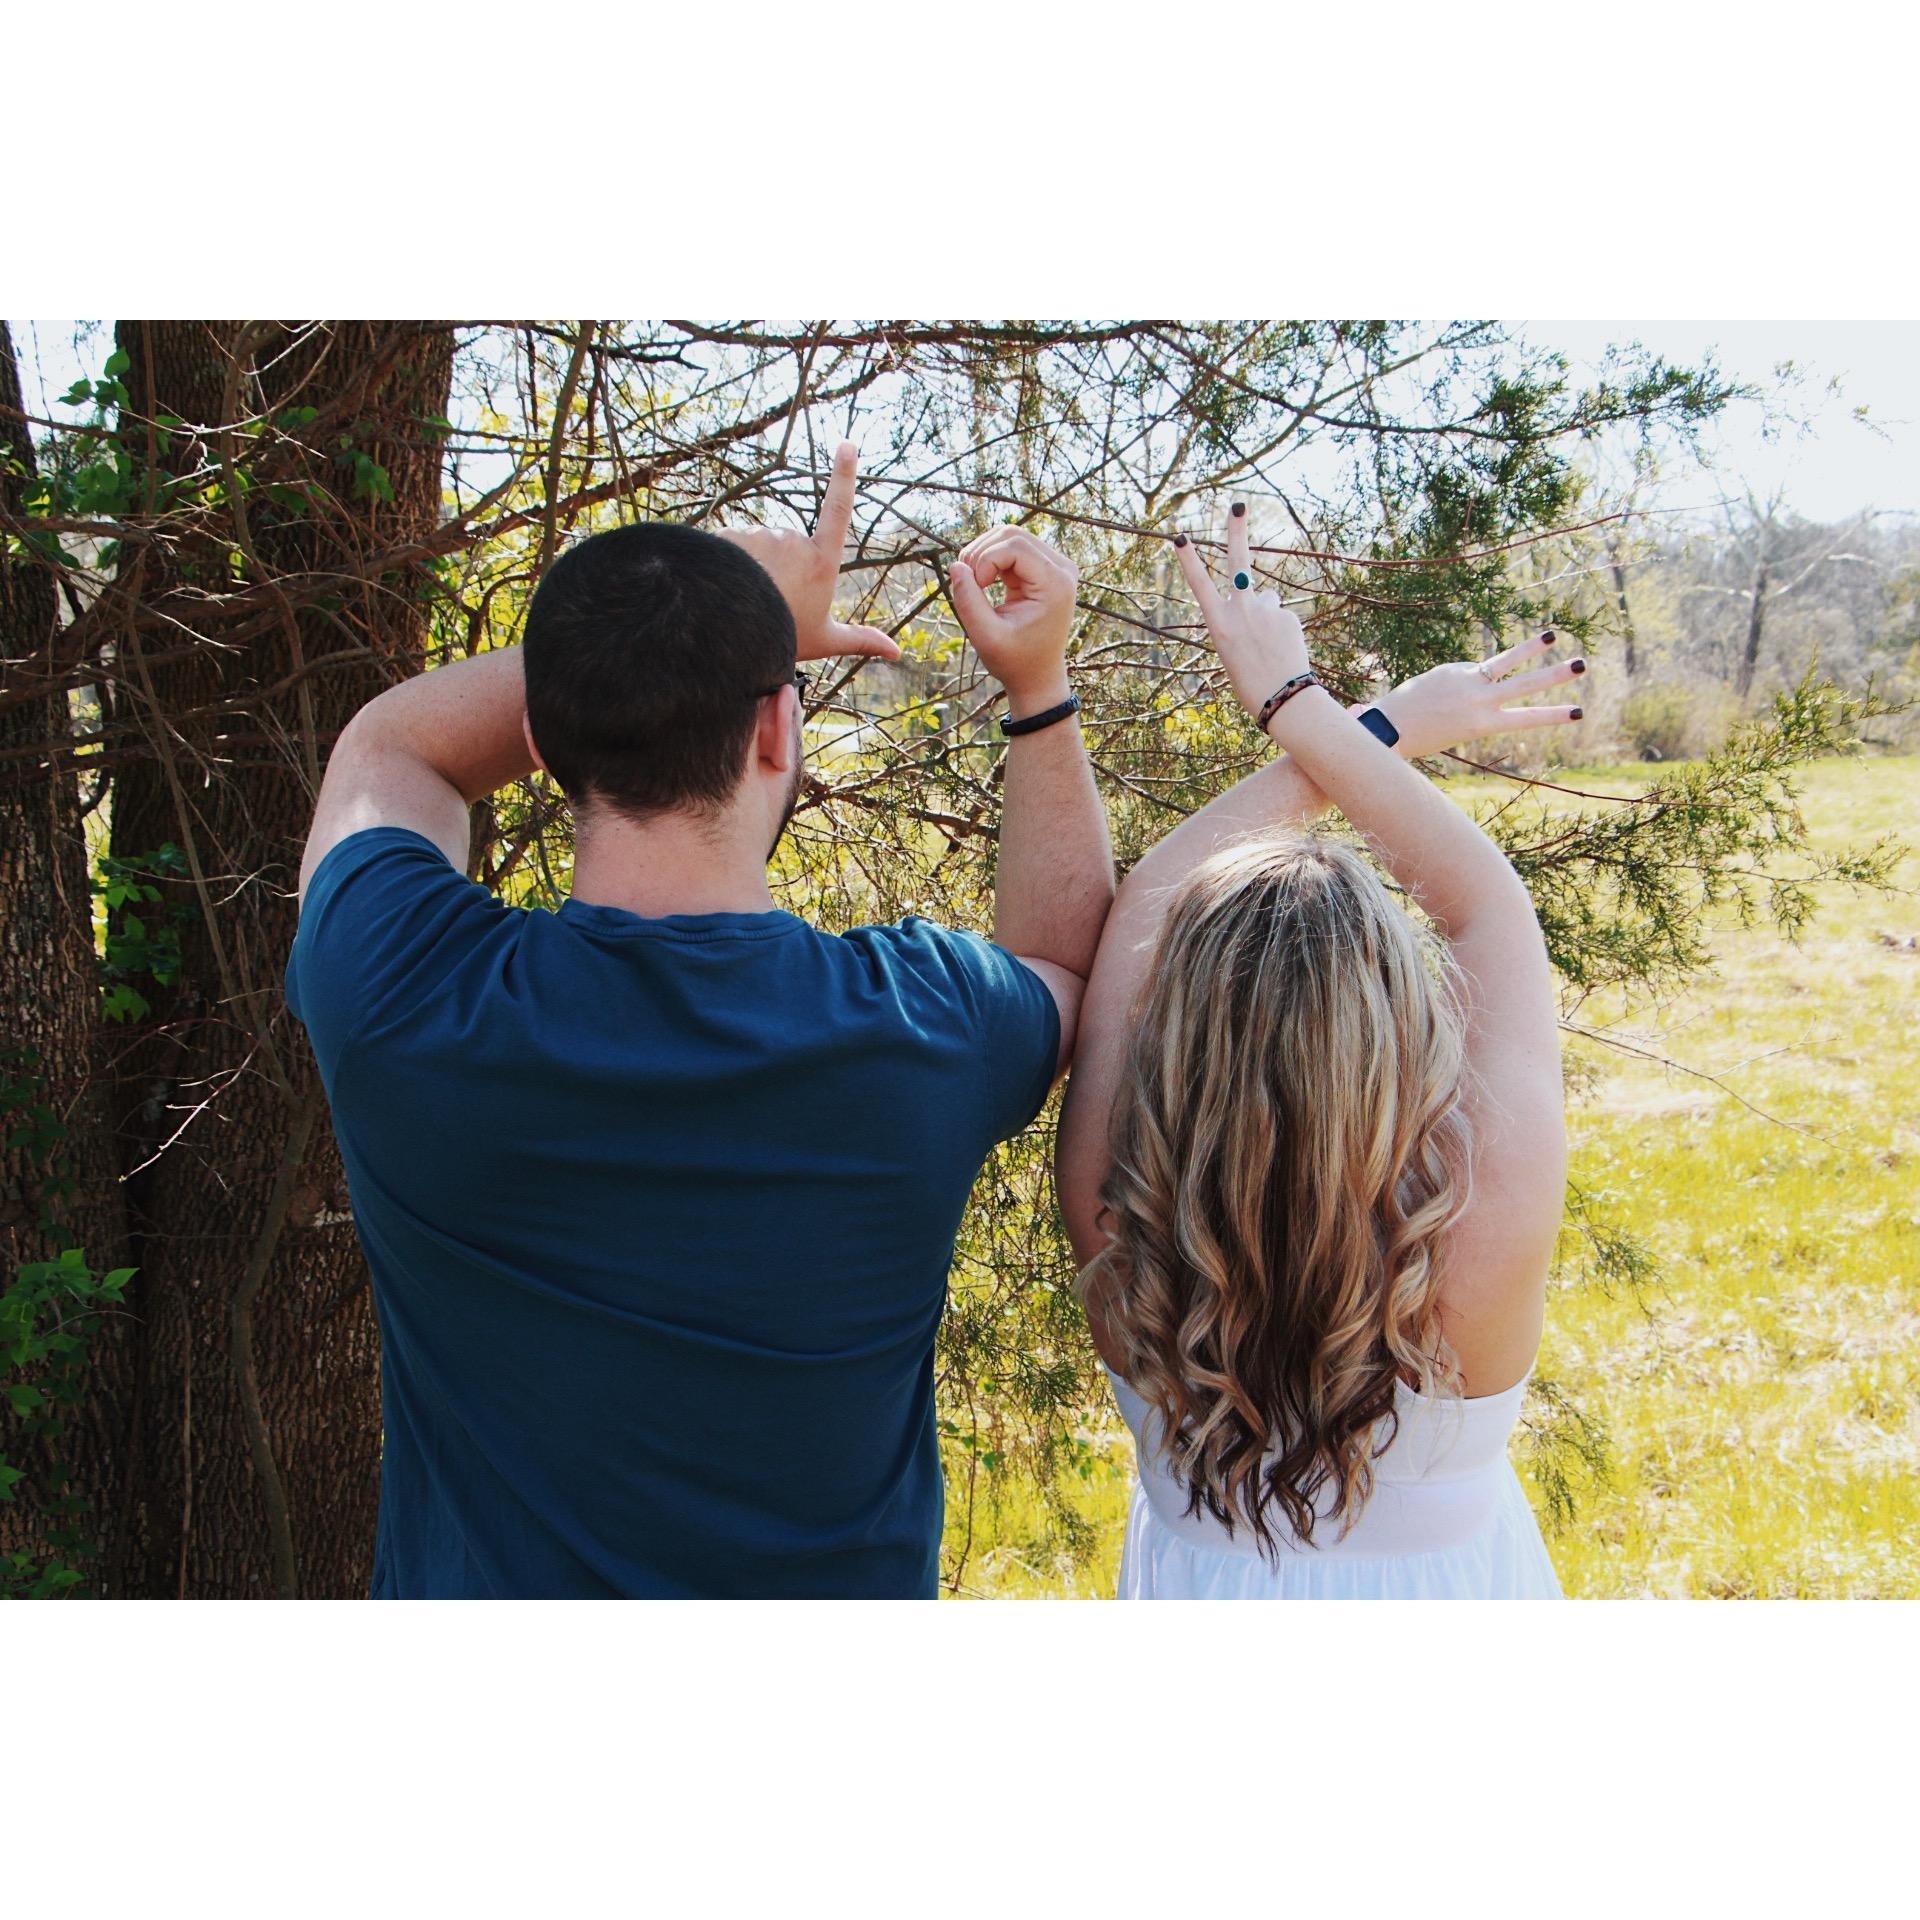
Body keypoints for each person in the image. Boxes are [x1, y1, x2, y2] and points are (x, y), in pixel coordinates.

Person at [285, 448, 1113, 1598]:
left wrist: (662, 641)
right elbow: (1064, 959)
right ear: (779, 730)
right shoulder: (922, 1031)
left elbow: (392, 746)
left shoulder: (401, 998)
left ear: (541, 739)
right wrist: (1037, 688)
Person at [1055, 502, 1585, 1599]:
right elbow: (1485, 901)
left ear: (1180, 1024)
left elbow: (1151, 892)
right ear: (1399, 1020)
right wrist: (1311, 710)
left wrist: (1378, 718)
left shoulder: (1117, 1209)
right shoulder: (1483, 1215)